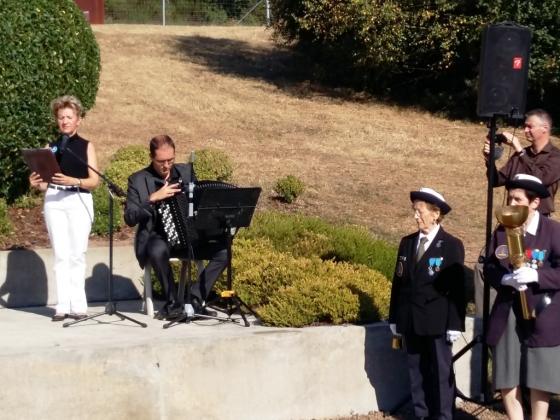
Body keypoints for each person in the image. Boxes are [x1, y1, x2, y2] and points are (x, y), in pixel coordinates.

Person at [124, 135, 228, 320]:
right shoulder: (138, 180)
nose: (166, 166)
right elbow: (130, 217)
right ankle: (173, 303)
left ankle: (195, 299)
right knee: (157, 250)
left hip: (188, 235)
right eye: (161, 161)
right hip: (157, 236)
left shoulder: (186, 172)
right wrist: (152, 198)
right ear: (151, 157)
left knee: (224, 251)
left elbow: (197, 202)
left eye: (170, 160)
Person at [484, 174, 560, 420]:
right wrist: (504, 279)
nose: (511, 202)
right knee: (507, 375)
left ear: (535, 202)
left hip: (543, 313)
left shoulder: (553, 231)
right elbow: (490, 266)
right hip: (508, 311)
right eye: (510, 197)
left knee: (540, 378)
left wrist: (537, 276)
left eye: (517, 199)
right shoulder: (502, 229)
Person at [389, 187, 466, 420]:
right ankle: (421, 414)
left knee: (441, 373)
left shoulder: (451, 245)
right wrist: (394, 318)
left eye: (420, 211)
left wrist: (455, 323)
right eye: (414, 211)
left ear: (435, 213)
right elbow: (398, 283)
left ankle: (443, 416)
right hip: (410, 319)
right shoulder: (407, 243)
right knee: (416, 371)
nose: (416, 216)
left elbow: (457, 289)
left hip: (437, 321)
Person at [29, 95, 99, 321]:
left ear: (78, 120)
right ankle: (62, 305)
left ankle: (79, 306)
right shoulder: (50, 148)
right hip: (55, 201)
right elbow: (44, 183)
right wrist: (36, 184)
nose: (65, 121)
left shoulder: (86, 146)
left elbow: (94, 181)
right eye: (61, 117)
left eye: (69, 117)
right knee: (61, 254)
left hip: (78, 199)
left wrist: (75, 181)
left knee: (77, 253)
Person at [483, 108, 560, 216]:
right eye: (525, 126)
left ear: (545, 128)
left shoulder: (555, 156)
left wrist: (519, 149)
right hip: (513, 215)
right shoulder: (521, 154)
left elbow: (540, 180)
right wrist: (489, 160)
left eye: (530, 127)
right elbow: (495, 181)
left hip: (538, 217)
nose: (525, 130)